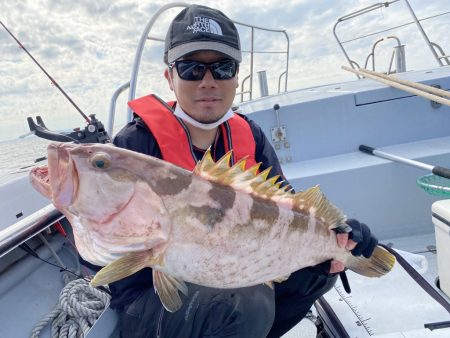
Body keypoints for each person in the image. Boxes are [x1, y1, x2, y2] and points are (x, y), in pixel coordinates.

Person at [110, 4, 378, 338]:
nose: (208, 82)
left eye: (222, 68)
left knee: (318, 268)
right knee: (246, 302)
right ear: (170, 77)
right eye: (191, 69)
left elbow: (285, 208)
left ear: (237, 76)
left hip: (226, 272)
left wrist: (337, 231)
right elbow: (113, 241)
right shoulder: (135, 144)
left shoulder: (249, 135)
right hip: (154, 296)